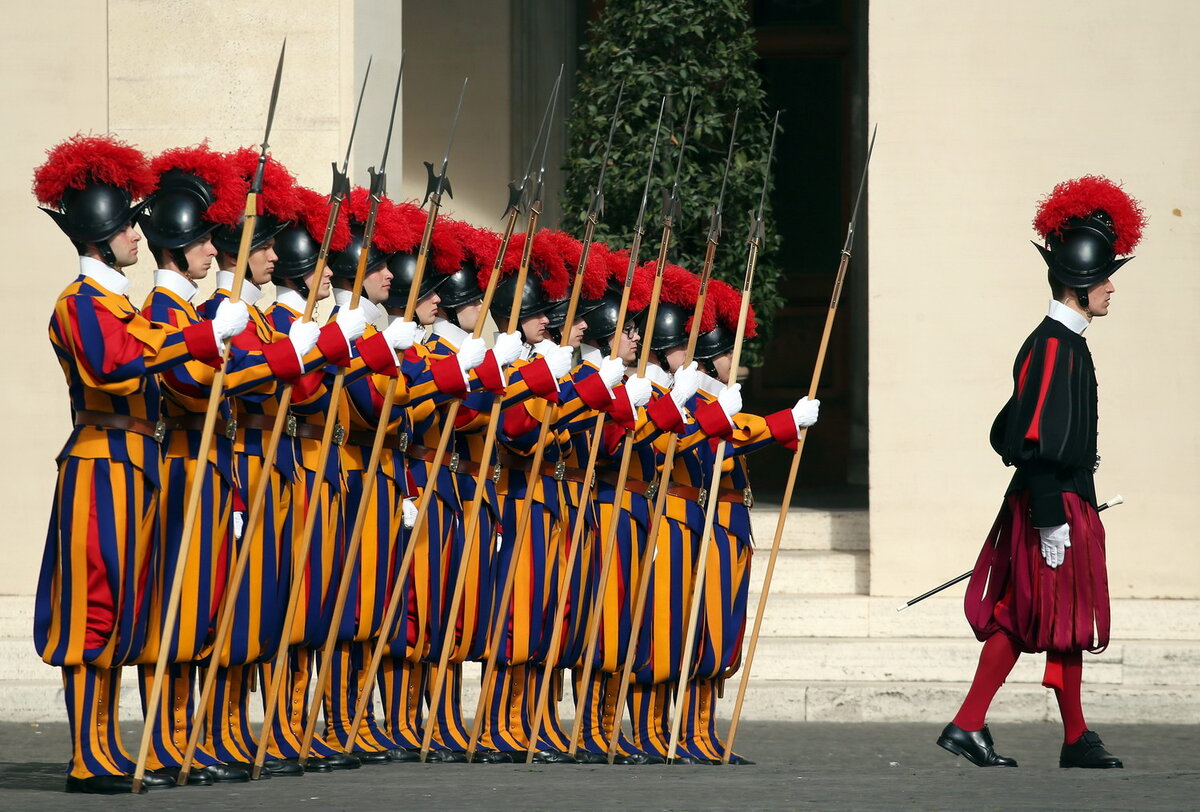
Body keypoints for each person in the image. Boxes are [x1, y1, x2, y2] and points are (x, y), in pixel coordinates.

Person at [33, 134, 249, 794]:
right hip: (101, 462)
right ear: (101, 237)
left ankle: (114, 746)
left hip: (139, 464)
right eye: (127, 225)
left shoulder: (123, 305)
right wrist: (200, 336)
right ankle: (88, 754)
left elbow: (154, 351)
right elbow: (113, 361)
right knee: (96, 607)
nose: (138, 232)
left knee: (130, 609)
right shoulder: (80, 304)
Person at [937, 175, 1145, 770]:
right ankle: (984, 724)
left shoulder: (1066, 343)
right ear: (1079, 282)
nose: (1110, 288)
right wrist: (1053, 517)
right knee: (1037, 614)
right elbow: (1031, 442)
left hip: (1065, 499)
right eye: (1104, 277)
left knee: (1054, 616)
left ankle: (1049, 733)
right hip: (1051, 503)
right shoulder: (1053, 346)